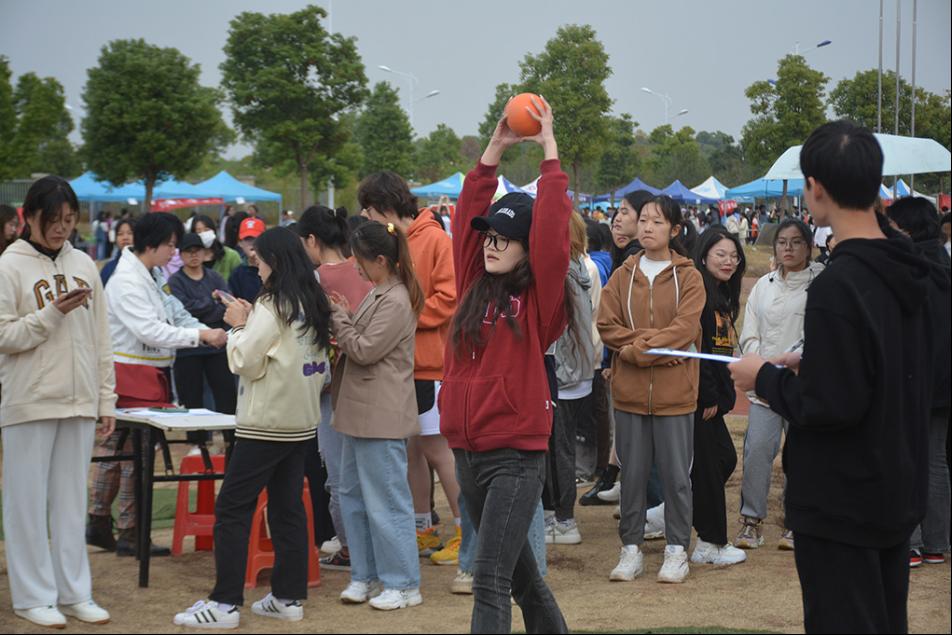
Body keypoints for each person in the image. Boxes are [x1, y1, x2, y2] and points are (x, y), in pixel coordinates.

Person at [729, 120, 936, 634]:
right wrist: (813, 360)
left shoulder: (839, 283)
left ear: (815, 188)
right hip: (895, 484)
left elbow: (831, 404)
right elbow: (885, 366)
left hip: (843, 498)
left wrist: (763, 376)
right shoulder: (910, 269)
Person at [440, 97, 569, 633]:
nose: (492, 245)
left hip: (515, 455)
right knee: (520, 578)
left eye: (505, 239)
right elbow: (466, 225)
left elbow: (552, 241)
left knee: (487, 574)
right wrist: (494, 149)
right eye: (490, 236)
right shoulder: (474, 283)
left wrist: (549, 154)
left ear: (525, 249)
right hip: (467, 453)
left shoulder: (540, 302)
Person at [173, 227, 333, 628]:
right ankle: (287, 596)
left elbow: (246, 360)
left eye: (259, 259)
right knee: (287, 508)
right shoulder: (311, 299)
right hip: (300, 420)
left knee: (233, 508)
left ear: (274, 261)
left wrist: (239, 324)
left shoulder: (274, 302)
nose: (255, 267)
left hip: (265, 423)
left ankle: (225, 604)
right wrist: (249, 321)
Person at [0, 176, 115, 628]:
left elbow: (102, 337)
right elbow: (5, 335)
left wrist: (106, 398)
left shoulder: (85, 263)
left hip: (80, 399)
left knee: (71, 499)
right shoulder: (9, 266)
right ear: (28, 217)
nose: (61, 228)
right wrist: (51, 314)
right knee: (26, 501)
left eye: (69, 220)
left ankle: (74, 592)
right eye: (53, 220)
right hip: (29, 399)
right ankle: (32, 596)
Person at [89, 213, 227, 557]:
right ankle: (128, 530)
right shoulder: (126, 281)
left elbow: (174, 312)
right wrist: (201, 335)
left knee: (119, 450)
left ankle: (102, 521)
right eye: (170, 245)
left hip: (147, 371)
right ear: (152, 244)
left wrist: (202, 331)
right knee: (134, 455)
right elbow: (150, 330)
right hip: (131, 372)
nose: (174, 252)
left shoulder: (151, 274)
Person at [596, 195, 705, 585]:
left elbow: (686, 329)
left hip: (676, 395)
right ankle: (631, 549)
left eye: (657, 222)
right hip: (629, 395)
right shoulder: (622, 274)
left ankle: (677, 549)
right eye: (643, 220)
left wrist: (635, 349)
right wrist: (653, 349)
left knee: (677, 476)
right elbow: (606, 325)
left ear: (675, 230)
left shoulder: (689, 277)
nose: (646, 227)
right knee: (633, 475)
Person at [357, 171, 461, 563]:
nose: (365, 218)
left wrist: (401, 318)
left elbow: (448, 299)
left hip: (430, 365)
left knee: (439, 450)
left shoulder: (434, 238)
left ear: (382, 206)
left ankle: (466, 531)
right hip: (401, 365)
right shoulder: (396, 240)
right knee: (413, 451)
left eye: (367, 210)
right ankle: (424, 528)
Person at [330, 221, 424, 611]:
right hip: (359, 412)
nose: (356, 267)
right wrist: (346, 318)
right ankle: (366, 576)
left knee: (387, 501)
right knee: (352, 497)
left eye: (361, 261)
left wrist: (338, 318)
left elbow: (365, 349)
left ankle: (403, 583)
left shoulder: (396, 299)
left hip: (381, 415)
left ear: (381, 260)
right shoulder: (381, 292)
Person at [734, 218, 823, 551]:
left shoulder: (821, 283)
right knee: (757, 450)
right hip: (765, 389)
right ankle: (751, 521)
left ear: (809, 246)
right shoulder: (764, 285)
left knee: (801, 456)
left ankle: (796, 522)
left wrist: (795, 360)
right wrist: (760, 366)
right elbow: (750, 330)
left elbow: (818, 332)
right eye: (782, 242)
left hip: (803, 387)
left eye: (796, 242)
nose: (788, 248)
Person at [297, 205, 374, 572]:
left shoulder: (314, 280)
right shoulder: (366, 271)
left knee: (340, 476)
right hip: (371, 381)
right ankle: (372, 546)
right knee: (370, 473)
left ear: (311, 239)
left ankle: (351, 548)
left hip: (332, 385)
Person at [886, 196, 951, 568]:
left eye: (893, 226)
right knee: (936, 459)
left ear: (906, 229)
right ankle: (936, 543)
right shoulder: (944, 264)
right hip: (943, 380)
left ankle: (908, 543)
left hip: (910, 378)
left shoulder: (908, 267)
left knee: (905, 459)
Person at [689, 227, 747, 567]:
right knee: (711, 467)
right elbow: (700, 350)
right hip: (701, 397)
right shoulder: (700, 293)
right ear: (704, 256)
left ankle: (675, 507)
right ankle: (711, 543)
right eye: (720, 254)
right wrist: (708, 394)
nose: (729, 261)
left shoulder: (721, 295)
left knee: (723, 460)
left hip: (714, 397)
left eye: (733, 256)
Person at [545, 211, 596, 544]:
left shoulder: (563, 274)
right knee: (559, 448)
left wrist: (558, 374)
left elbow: (565, 334)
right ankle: (559, 516)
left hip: (564, 375)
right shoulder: (578, 269)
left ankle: (563, 519)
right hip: (574, 374)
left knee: (558, 449)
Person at [168, 232, 238, 434]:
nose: (193, 256)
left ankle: (229, 439)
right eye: (188, 252)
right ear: (180, 255)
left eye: (197, 251)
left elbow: (226, 305)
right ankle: (197, 444)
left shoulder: (214, 277)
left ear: (205, 253)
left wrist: (203, 306)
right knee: (191, 399)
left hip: (217, 347)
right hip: (188, 348)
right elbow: (181, 310)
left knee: (226, 395)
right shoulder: (175, 281)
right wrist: (210, 303)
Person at [192, 215, 243, 281]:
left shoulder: (231, 256)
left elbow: (241, 281)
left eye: (206, 230)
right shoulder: (191, 258)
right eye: (198, 232)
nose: (203, 234)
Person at [228, 218, 265, 303]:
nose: (252, 243)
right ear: (240, 243)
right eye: (247, 239)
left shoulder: (274, 269)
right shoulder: (237, 274)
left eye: (256, 238)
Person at [99, 218, 135, 286]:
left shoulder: (147, 266)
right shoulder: (109, 269)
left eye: (130, 233)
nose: (125, 237)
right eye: (120, 234)